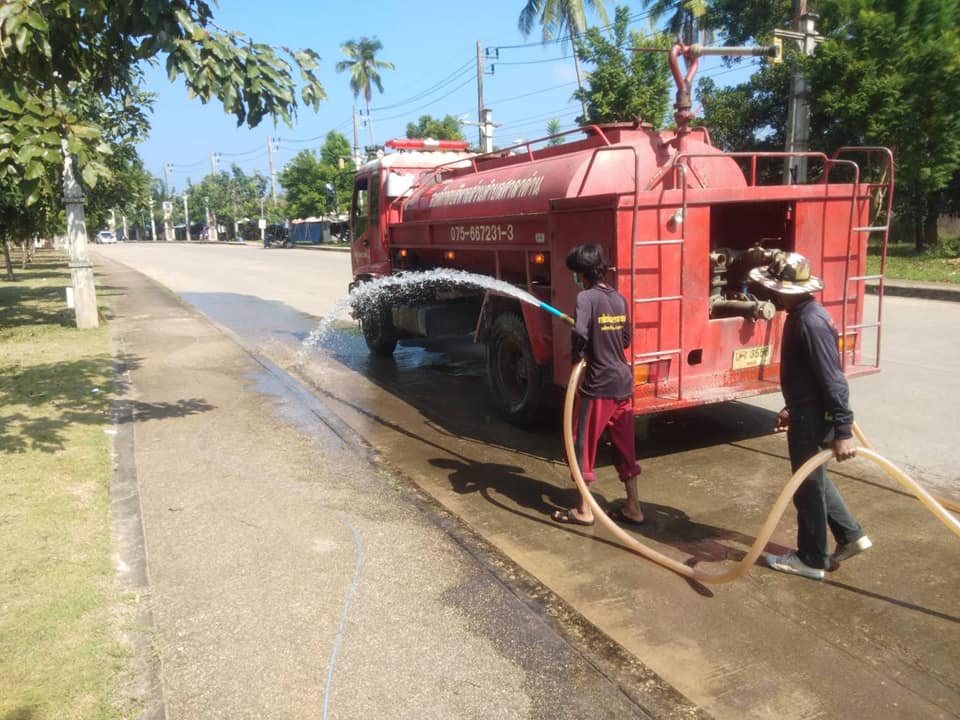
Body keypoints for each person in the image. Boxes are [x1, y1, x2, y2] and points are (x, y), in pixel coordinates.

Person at [750, 252, 872, 580]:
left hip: (815, 420)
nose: (773, 294)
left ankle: (812, 558)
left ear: (790, 289)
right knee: (813, 479)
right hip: (808, 413)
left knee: (806, 486)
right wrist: (794, 407)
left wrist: (844, 430)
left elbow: (832, 379)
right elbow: (810, 377)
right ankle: (850, 535)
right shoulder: (803, 314)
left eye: (776, 288)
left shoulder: (809, 322)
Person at [552, 244, 644, 527]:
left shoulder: (586, 298)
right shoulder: (618, 298)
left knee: (583, 448)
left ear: (582, 273)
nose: (575, 279)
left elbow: (580, 334)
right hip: (623, 383)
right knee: (624, 446)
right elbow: (625, 340)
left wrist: (578, 356)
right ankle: (633, 507)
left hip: (598, 385)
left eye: (575, 274)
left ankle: (583, 510)